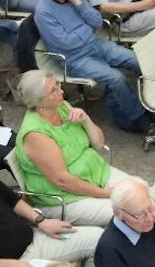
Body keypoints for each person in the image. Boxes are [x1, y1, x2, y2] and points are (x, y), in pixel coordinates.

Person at [32, 0, 155, 135]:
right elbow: (66, 43)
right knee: (116, 78)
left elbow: (97, 22)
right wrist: (86, 29)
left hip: (95, 44)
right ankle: (138, 117)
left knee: (139, 60)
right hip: (75, 58)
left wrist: (78, 4)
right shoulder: (43, 12)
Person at [13, 71, 130, 227]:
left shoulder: (61, 106)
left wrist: (86, 120)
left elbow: (99, 144)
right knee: (132, 212)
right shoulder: (36, 135)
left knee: (146, 194)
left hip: (97, 174)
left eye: (58, 85)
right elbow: (63, 181)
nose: (61, 91)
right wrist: (104, 194)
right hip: (67, 197)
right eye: (53, 90)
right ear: (38, 101)